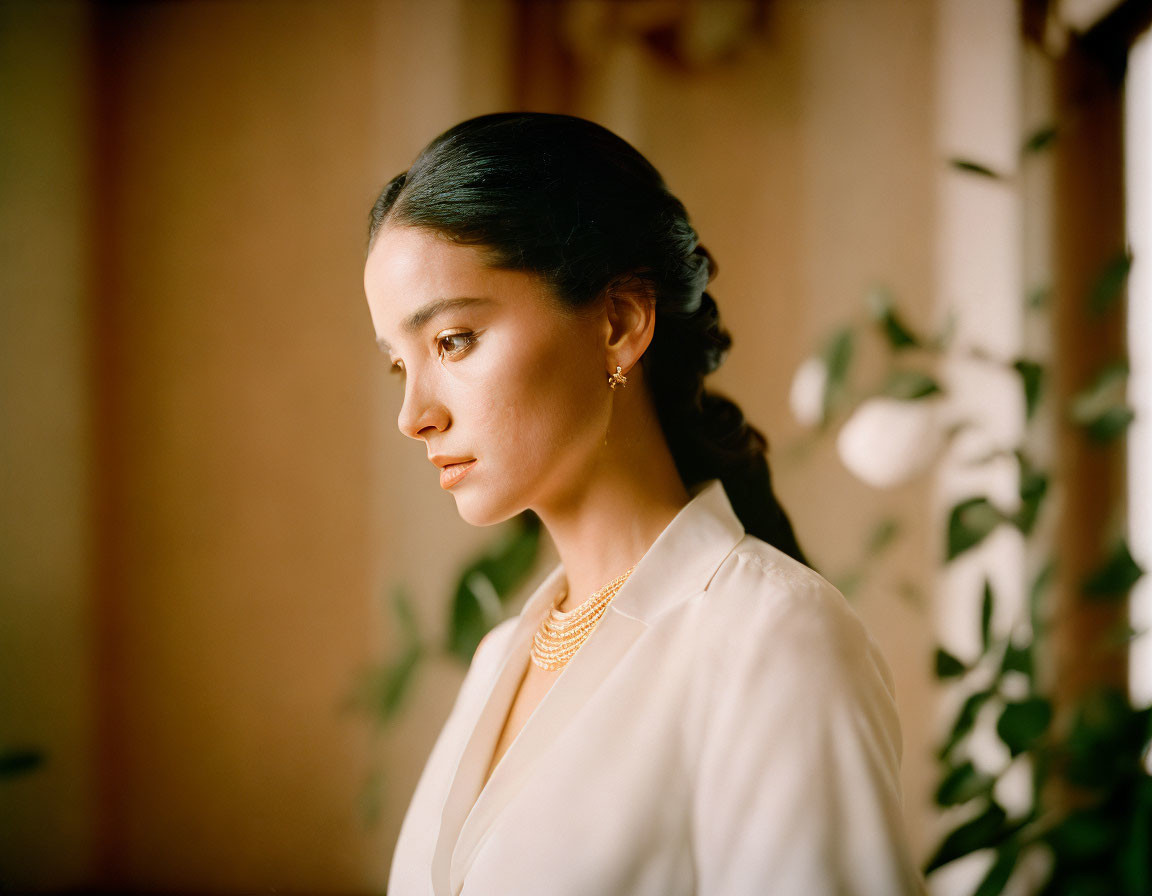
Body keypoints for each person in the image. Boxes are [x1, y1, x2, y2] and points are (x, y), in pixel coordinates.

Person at [363, 112, 924, 896]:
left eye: (453, 341)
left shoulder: (772, 640)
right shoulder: (500, 659)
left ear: (620, 322)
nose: (414, 413)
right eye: (400, 364)